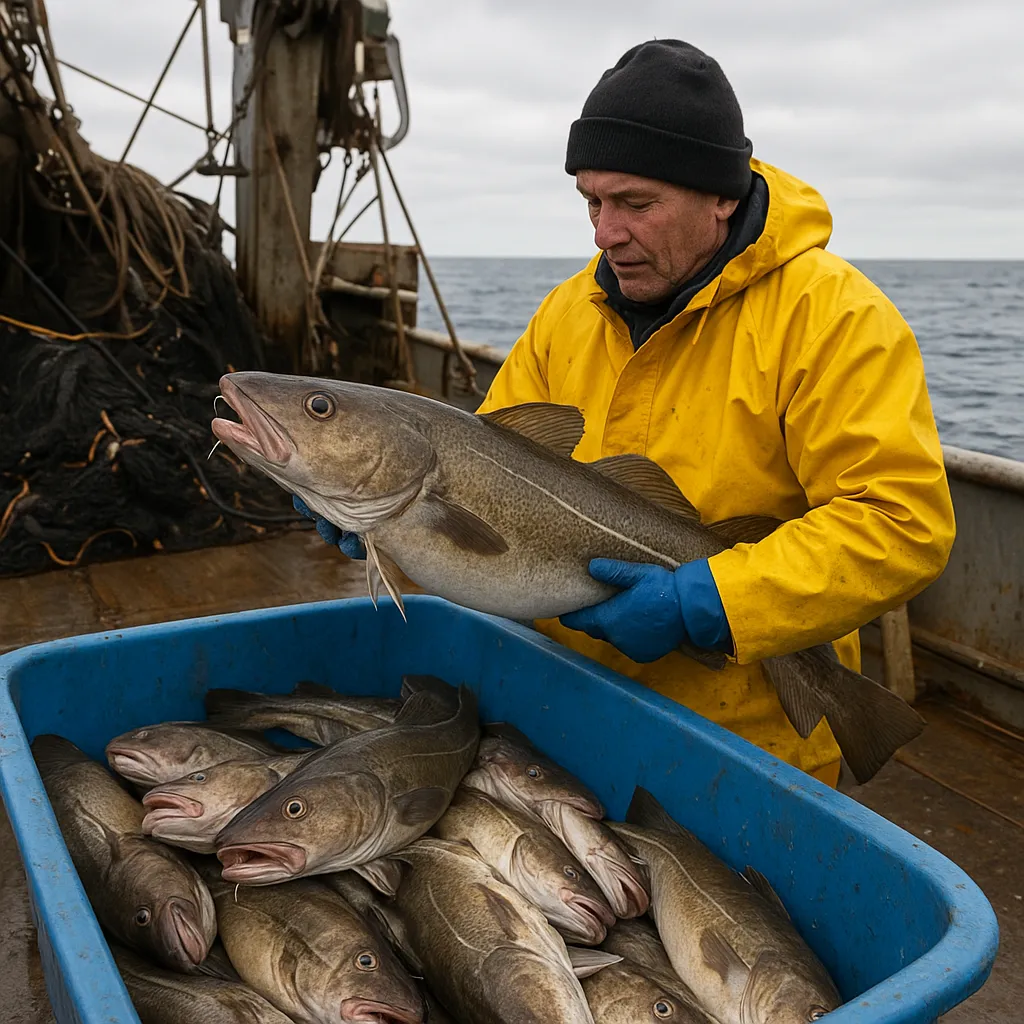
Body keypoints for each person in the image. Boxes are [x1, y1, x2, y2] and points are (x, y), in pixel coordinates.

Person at [298, 39, 955, 787]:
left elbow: (902, 524)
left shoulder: (834, 318)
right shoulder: (568, 312)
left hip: (740, 748)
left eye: (636, 204)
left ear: (722, 197)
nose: (605, 233)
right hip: (567, 710)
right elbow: (485, 473)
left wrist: (714, 600)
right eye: (593, 202)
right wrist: (385, 521)